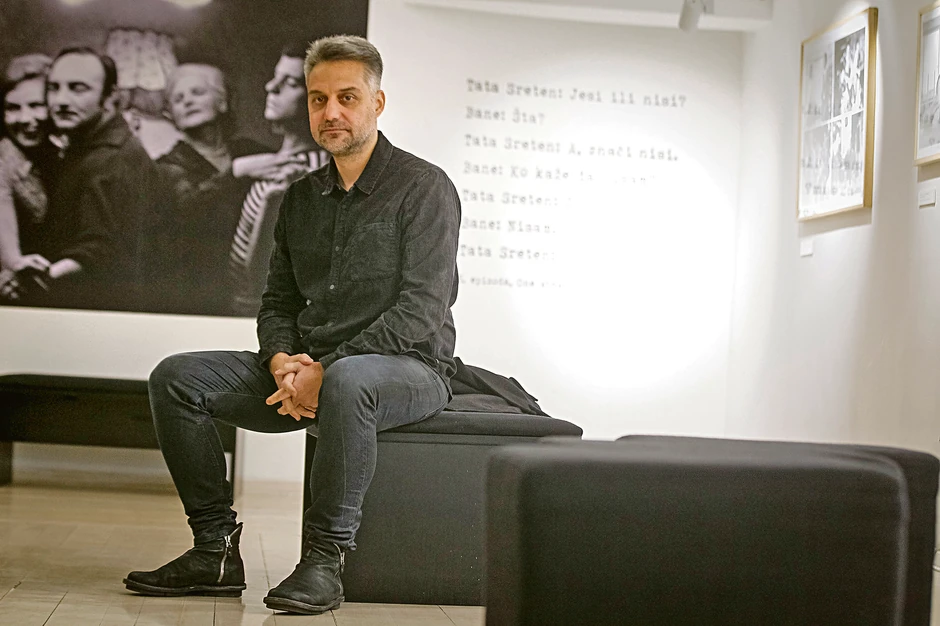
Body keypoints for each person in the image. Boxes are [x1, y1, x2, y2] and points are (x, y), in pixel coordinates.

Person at [123, 35, 461, 616]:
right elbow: (277, 301)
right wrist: (283, 360)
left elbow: (421, 309)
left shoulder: (425, 187)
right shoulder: (300, 197)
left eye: (347, 97)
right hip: (308, 371)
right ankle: (214, 550)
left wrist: (325, 369)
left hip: (409, 368)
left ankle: (324, 561)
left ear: (377, 103)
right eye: (317, 98)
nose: (330, 112)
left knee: (351, 379)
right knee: (176, 378)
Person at [40, 47, 162, 311]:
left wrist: (42, 277)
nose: (61, 100)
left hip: (99, 307)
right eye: (53, 88)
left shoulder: (113, 158)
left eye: (78, 89)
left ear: (109, 96)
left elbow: (100, 249)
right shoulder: (89, 145)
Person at [154, 63, 273, 314]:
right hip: (199, 288)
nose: (187, 101)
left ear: (222, 102)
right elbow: (187, 207)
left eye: (197, 92)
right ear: (171, 116)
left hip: (255, 282)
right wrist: (235, 172)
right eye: (178, 99)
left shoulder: (249, 150)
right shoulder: (167, 166)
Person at [226, 43, 328, 317]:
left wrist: (274, 205)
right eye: (275, 77)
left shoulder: (312, 173)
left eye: (291, 83)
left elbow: (259, 281)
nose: (271, 87)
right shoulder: (275, 162)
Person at [0, 54, 55, 302]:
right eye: (13, 108)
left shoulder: (59, 149)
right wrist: (13, 263)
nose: (25, 119)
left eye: (36, 105)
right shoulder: (4, 159)